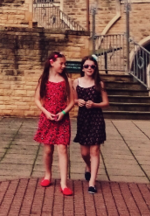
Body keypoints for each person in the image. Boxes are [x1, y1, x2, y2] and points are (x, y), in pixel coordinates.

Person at [34, 51, 75, 196]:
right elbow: (37, 100)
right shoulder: (44, 80)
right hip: (48, 118)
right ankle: (47, 175)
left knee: (62, 149)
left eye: (65, 64)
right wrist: (46, 112)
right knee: (48, 150)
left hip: (62, 119)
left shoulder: (67, 81)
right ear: (52, 63)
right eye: (61, 63)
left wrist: (63, 113)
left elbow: (72, 102)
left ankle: (64, 183)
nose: (63, 66)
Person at [73, 55, 109, 194]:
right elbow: (73, 99)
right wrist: (78, 102)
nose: (89, 68)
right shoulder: (76, 82)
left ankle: (92, 183)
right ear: (82, 68)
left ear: (95, 68)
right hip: (83, 119)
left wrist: (94, 104)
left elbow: (106, 103)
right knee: (84, 153)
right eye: (87, 66)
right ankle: (88, 166)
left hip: (96, 119)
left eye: (92, 66)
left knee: (94, 151)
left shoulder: (99, 84)